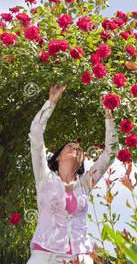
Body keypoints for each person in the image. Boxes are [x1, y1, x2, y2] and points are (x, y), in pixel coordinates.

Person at [26, 84, 119, 264]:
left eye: (79, 149)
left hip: (81, 257)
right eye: (70, 147)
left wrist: (108, 114)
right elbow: (36, 135)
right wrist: (51, 103)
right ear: (59, 156)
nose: (76, 149)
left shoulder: (85, 184)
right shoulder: (44, 176)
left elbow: (111, 153)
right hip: (45, 257)